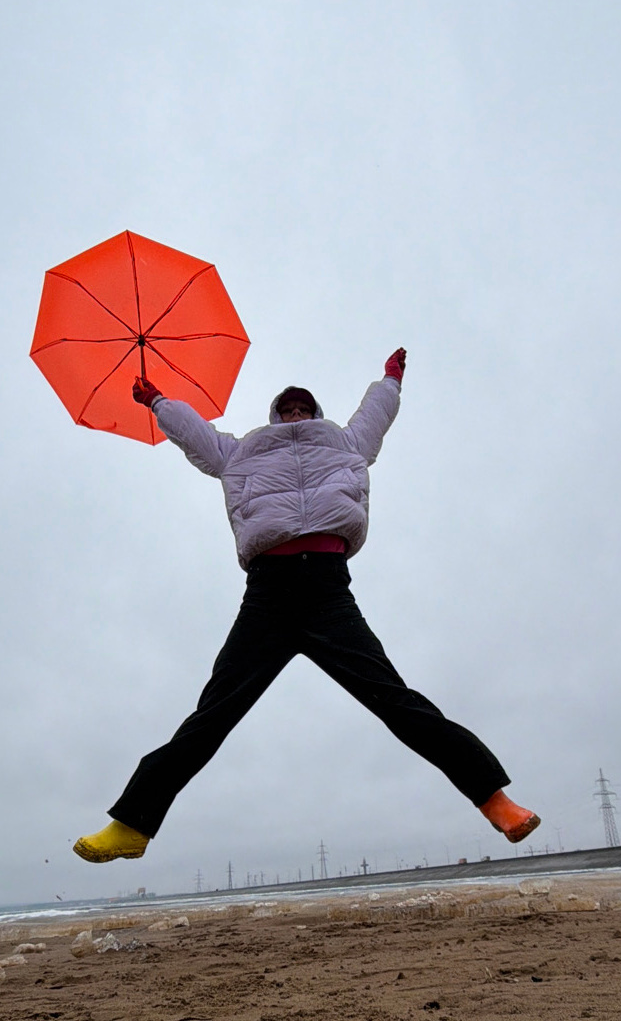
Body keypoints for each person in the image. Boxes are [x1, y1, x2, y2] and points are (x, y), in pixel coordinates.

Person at [74, 348, 539, 863]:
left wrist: (390, 379)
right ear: (276, 416)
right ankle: (132, 825)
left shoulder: (344, 442)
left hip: (327, 592)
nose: (295, 414)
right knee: (214, 713)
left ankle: (494, 800)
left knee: (395, 700)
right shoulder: (243, 451)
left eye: (303, 407)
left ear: (315, 413)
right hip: (267, 596)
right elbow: (197, 435)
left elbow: (375, 415)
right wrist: (158, 401)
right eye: (287, 408)